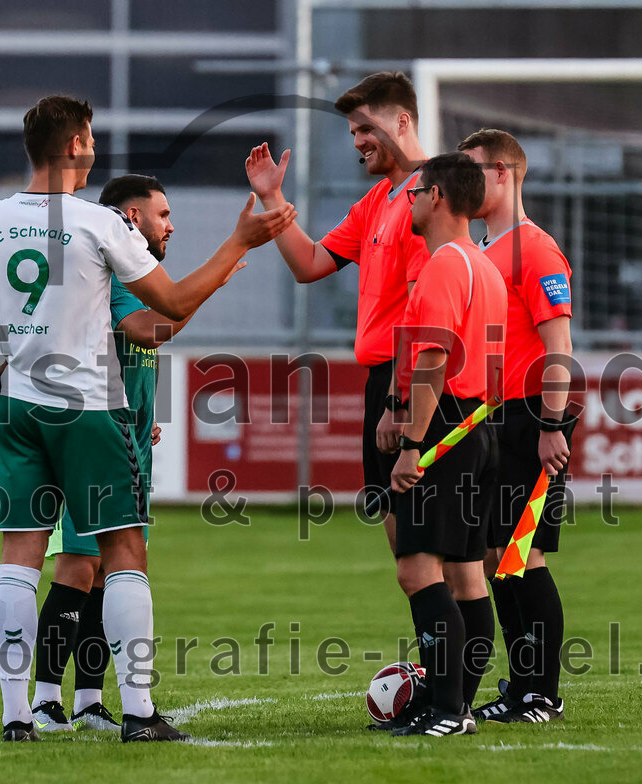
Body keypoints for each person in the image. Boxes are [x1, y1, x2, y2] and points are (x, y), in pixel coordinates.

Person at [0, 96, 295, 742]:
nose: (94, 149)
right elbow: (169, 307)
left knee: (18, 560)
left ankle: (17, 716)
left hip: (19, 408)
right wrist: (238, 243)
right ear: (73, 146)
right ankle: (137, 711)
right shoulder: (97, 223)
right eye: (90, 139)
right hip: (88, 408)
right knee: (124, 552)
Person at [30, 174, 210, 734]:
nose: (171, 226)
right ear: (131, 218)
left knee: (107, 573)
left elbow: (141, 346)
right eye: (163, 214)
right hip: (93, 444)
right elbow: (154, 330)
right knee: (78, 566)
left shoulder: (131, 276)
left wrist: (140, 416)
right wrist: (214, 278)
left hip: (126, 443)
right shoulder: (111, 276)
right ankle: (43, 702)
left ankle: (88, 701)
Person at [245, 71, 430, 555]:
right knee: (408, 557)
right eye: (353, 132)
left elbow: (424, 311)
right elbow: (309, 263)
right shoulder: (377, 201)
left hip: (414, 378)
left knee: (431, 560)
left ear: (403, 122)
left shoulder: (431, 195)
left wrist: (401, 401)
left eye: (366, 129)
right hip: (384, 381)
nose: (357, 142)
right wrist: (272, 198)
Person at [385, 152, 506, 738]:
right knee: (467, 578)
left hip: (445, 432)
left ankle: (448, 709)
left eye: (414, 193)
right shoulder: (484, 264)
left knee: (417, 572)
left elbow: (433, 359)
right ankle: (455, 706)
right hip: (478, 427)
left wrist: (413, 442)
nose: (408, 202)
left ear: (435, 196)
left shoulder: (442, 265)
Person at [458, 129, 575, 724]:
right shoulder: (482, 250)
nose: (463, 184)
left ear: (502, 173)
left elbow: (559, 348)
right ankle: (521, 685)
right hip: (493, 420)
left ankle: (542, 695)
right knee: (494, 557)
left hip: (533, 418)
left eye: (472, 171)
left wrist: (552, 425)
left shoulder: (537, 251)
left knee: (523, 556)